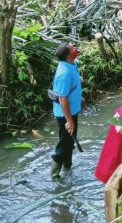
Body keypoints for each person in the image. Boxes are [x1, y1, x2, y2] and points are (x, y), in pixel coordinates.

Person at [50, 43, 82, 179]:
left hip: (72, 110)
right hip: (65, 114)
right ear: (68, 55)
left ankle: (67, 166)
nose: (75, 49)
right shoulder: (64, 73)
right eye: (72, 49)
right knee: (64, 143)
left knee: (69, 141)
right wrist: (69, 121)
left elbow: (70, 89)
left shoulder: (71, 64)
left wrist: (80, 97)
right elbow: (62, 98)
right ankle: (54, 175)